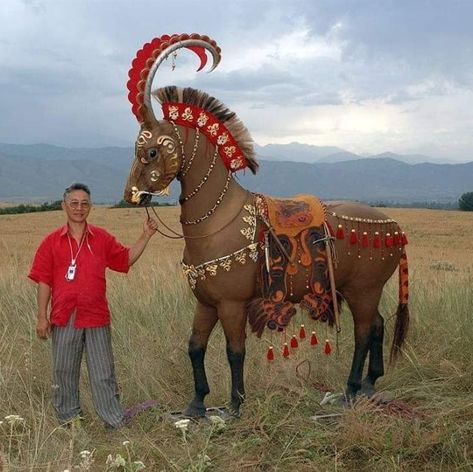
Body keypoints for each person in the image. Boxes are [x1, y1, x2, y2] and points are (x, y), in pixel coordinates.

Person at [28, 182, 158, 429]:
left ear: (91, 207)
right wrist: (41, 317)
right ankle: (69, 422)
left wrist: (146, 235)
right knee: (64, 371)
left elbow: (125, 260)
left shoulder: (102, 238)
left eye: (84, 203)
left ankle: (114, 420)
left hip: (96, 315)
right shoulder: (51, 242)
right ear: (64, 205)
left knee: (103, 373)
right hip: (64, 316)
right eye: (74, 203)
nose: (79, 208)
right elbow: (43, 281)